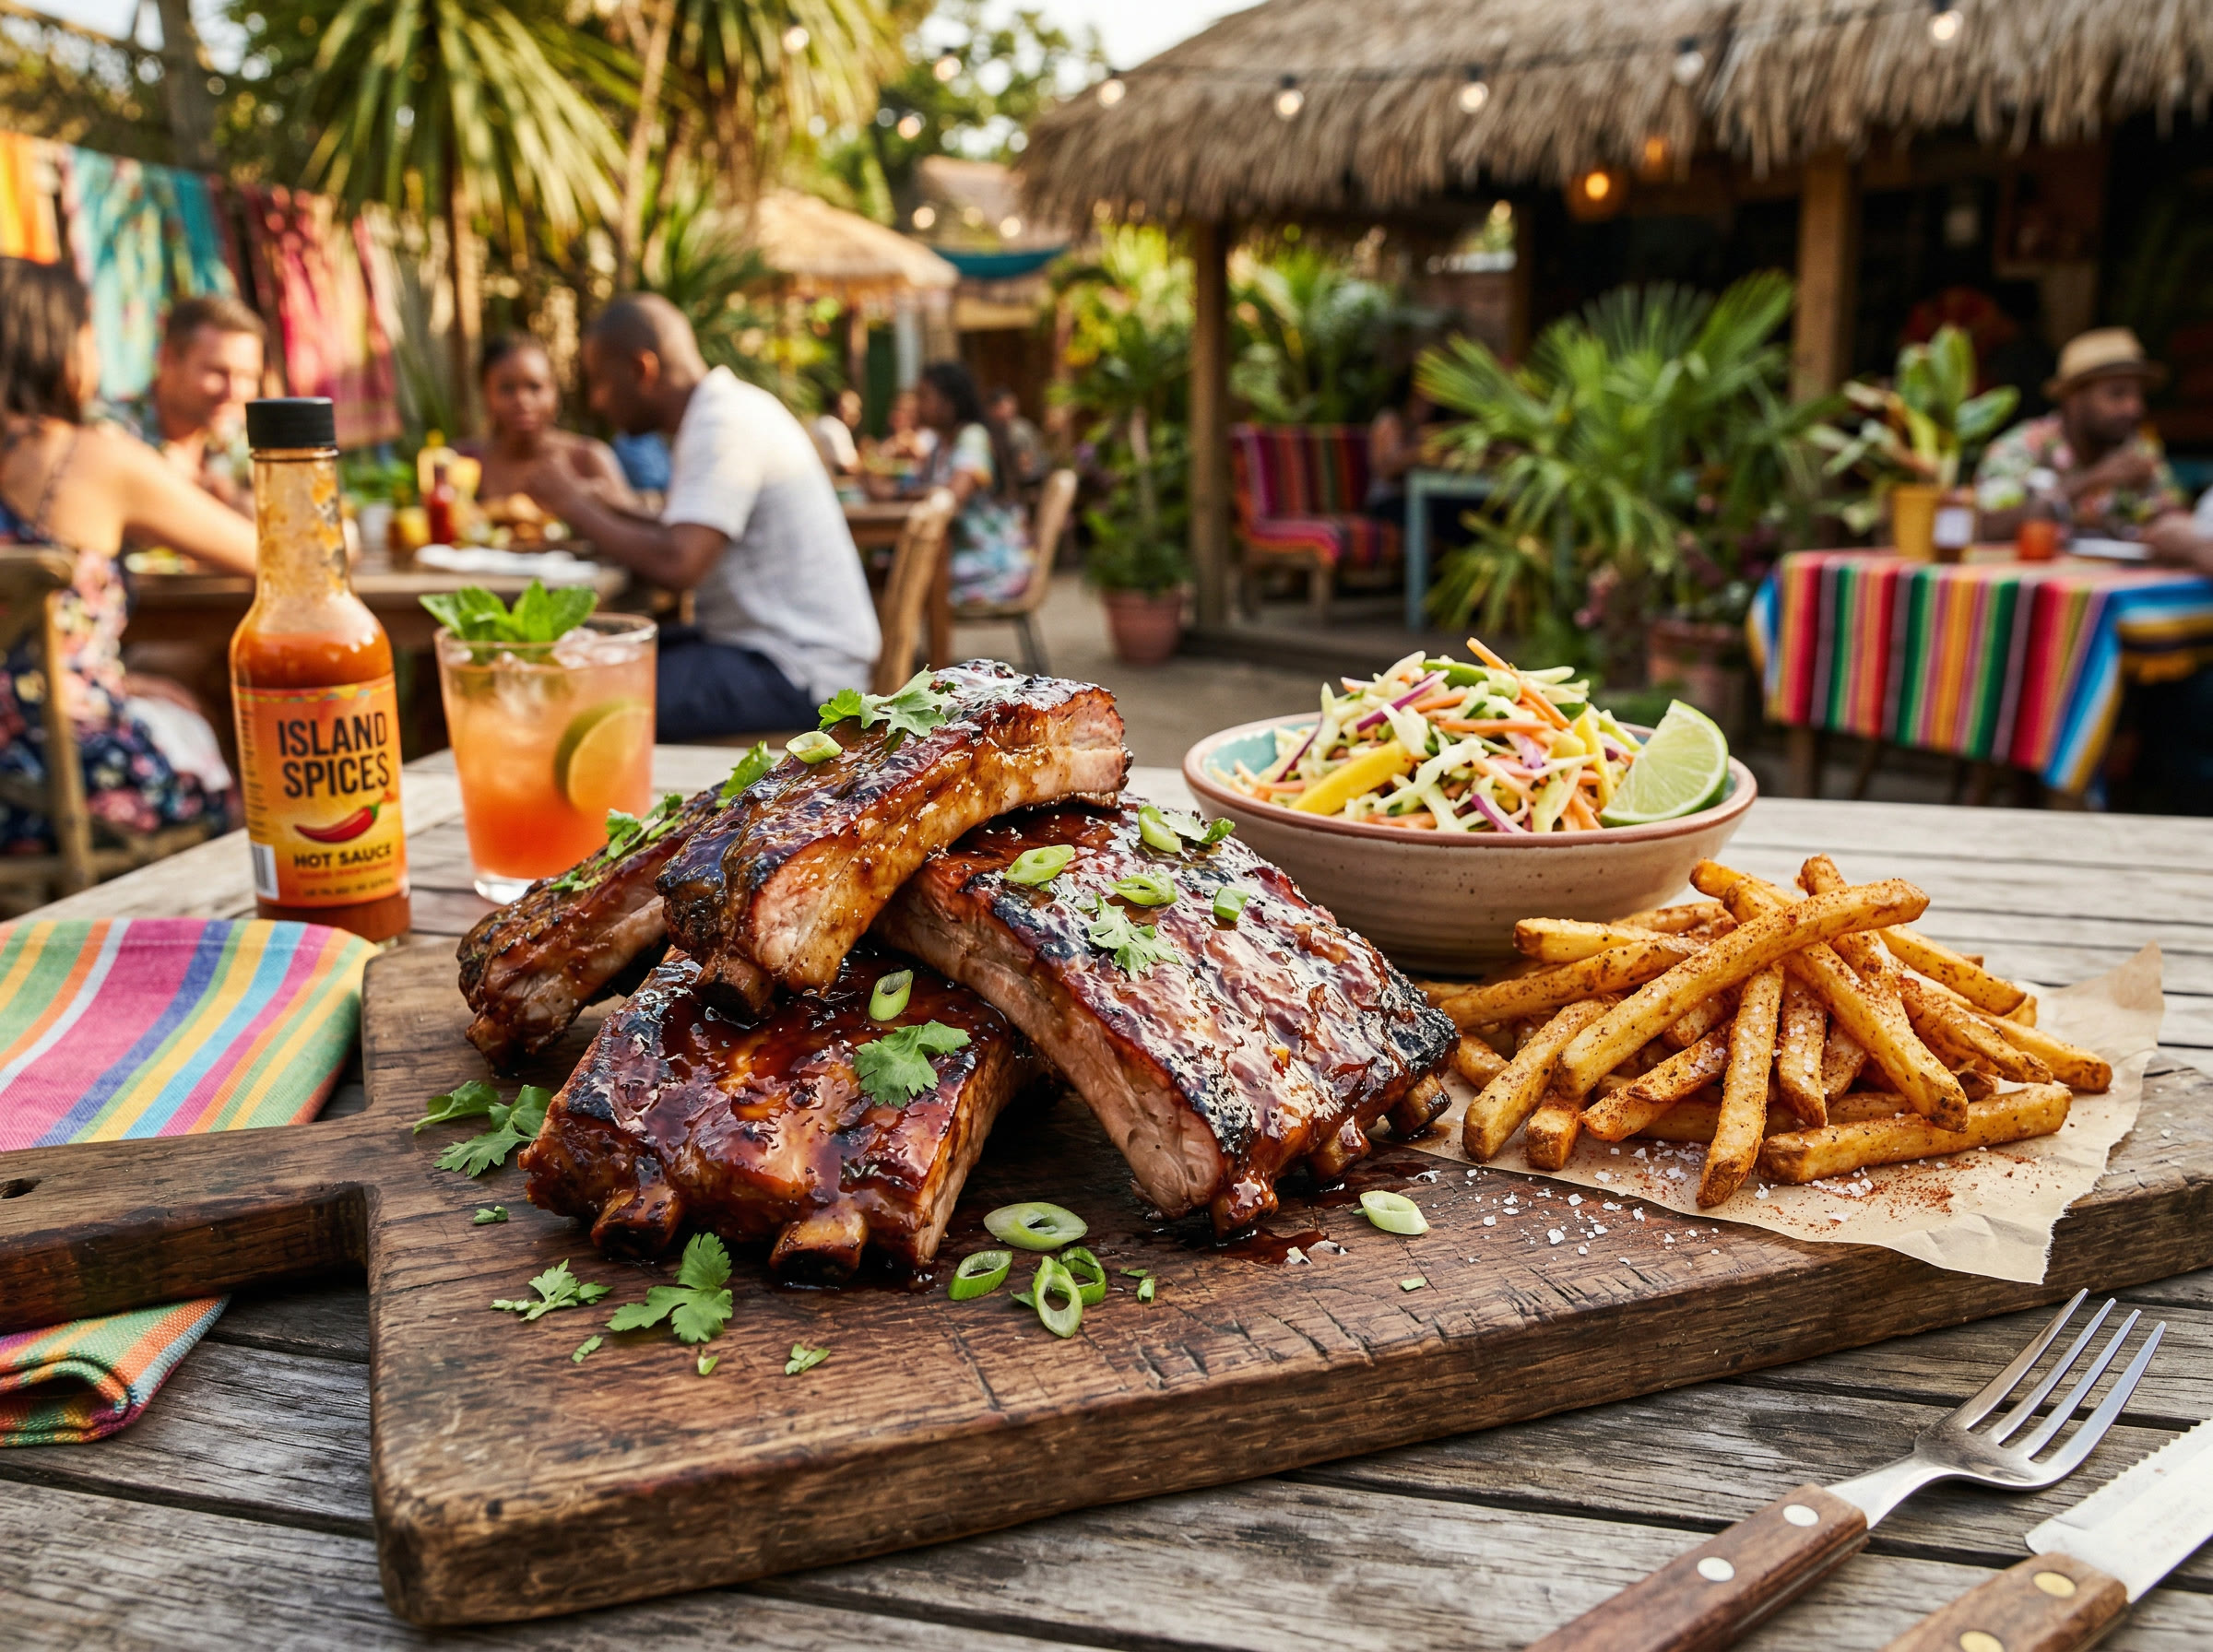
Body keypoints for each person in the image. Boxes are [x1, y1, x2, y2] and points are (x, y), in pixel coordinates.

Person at [513, 293, 878, 741]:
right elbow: (683, 532)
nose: (597, 402)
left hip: (798, 671)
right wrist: (610, 506)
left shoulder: (722, 423)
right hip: (771, 651)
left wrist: (572, 504)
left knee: (569, 689)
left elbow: (679, 563)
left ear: (641, 370)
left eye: (599, 382)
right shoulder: (724, 408)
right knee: (572, 654)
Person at [0, 257, 256, 851]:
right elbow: (272, 555)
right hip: (68, 781)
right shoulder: (95, 457)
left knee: (178, 700)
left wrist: (123, 679)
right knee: (242, 799)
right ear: (58, 345)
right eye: (90, 334)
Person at [1975, 328, 2199, 554]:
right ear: (2073, 398)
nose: (2135, 408)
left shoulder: (2137, 449)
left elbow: (2177, 518)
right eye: (2117, 394)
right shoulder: (2022, 446)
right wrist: (2091, 481)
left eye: (2139, 395)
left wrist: (2158, 506)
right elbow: (1985, 528)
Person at [101, 292, 265, 514]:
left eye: (247, 376)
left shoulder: (243, 441)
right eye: (217, 372)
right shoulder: (109, 431)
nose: (234, 391)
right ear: (168, 359)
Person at [895, 361, 1032, 606]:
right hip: (960, 556)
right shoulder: (941, 444)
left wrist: (902, 494)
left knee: (899, 580)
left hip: (992, 563)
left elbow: (954, 495)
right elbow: (921, 487)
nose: (918, 404)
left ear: (950, 402)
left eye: (924, 396)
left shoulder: (972, 437)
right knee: (894, 574)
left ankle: (915, 643)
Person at [459, 334, 635, 515]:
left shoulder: (589, 459)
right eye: (507, 388)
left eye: (535, 387)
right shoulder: (462, 462)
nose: (522, 400)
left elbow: (632, 533)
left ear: (554, 392)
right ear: (485, 396)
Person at [986, 384, 1047, 488]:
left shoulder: (1020, 430)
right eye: (1002, 407)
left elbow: (1025, 467)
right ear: (992, 409)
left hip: (1026, 481)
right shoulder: (987, 431)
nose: (1008, 410)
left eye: (1010, 405)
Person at [809, 387, 864, 478]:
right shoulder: (836, 428)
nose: (858, 413)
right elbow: (850, 467)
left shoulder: (819, 423)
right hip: (828, 483)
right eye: (856, 407)